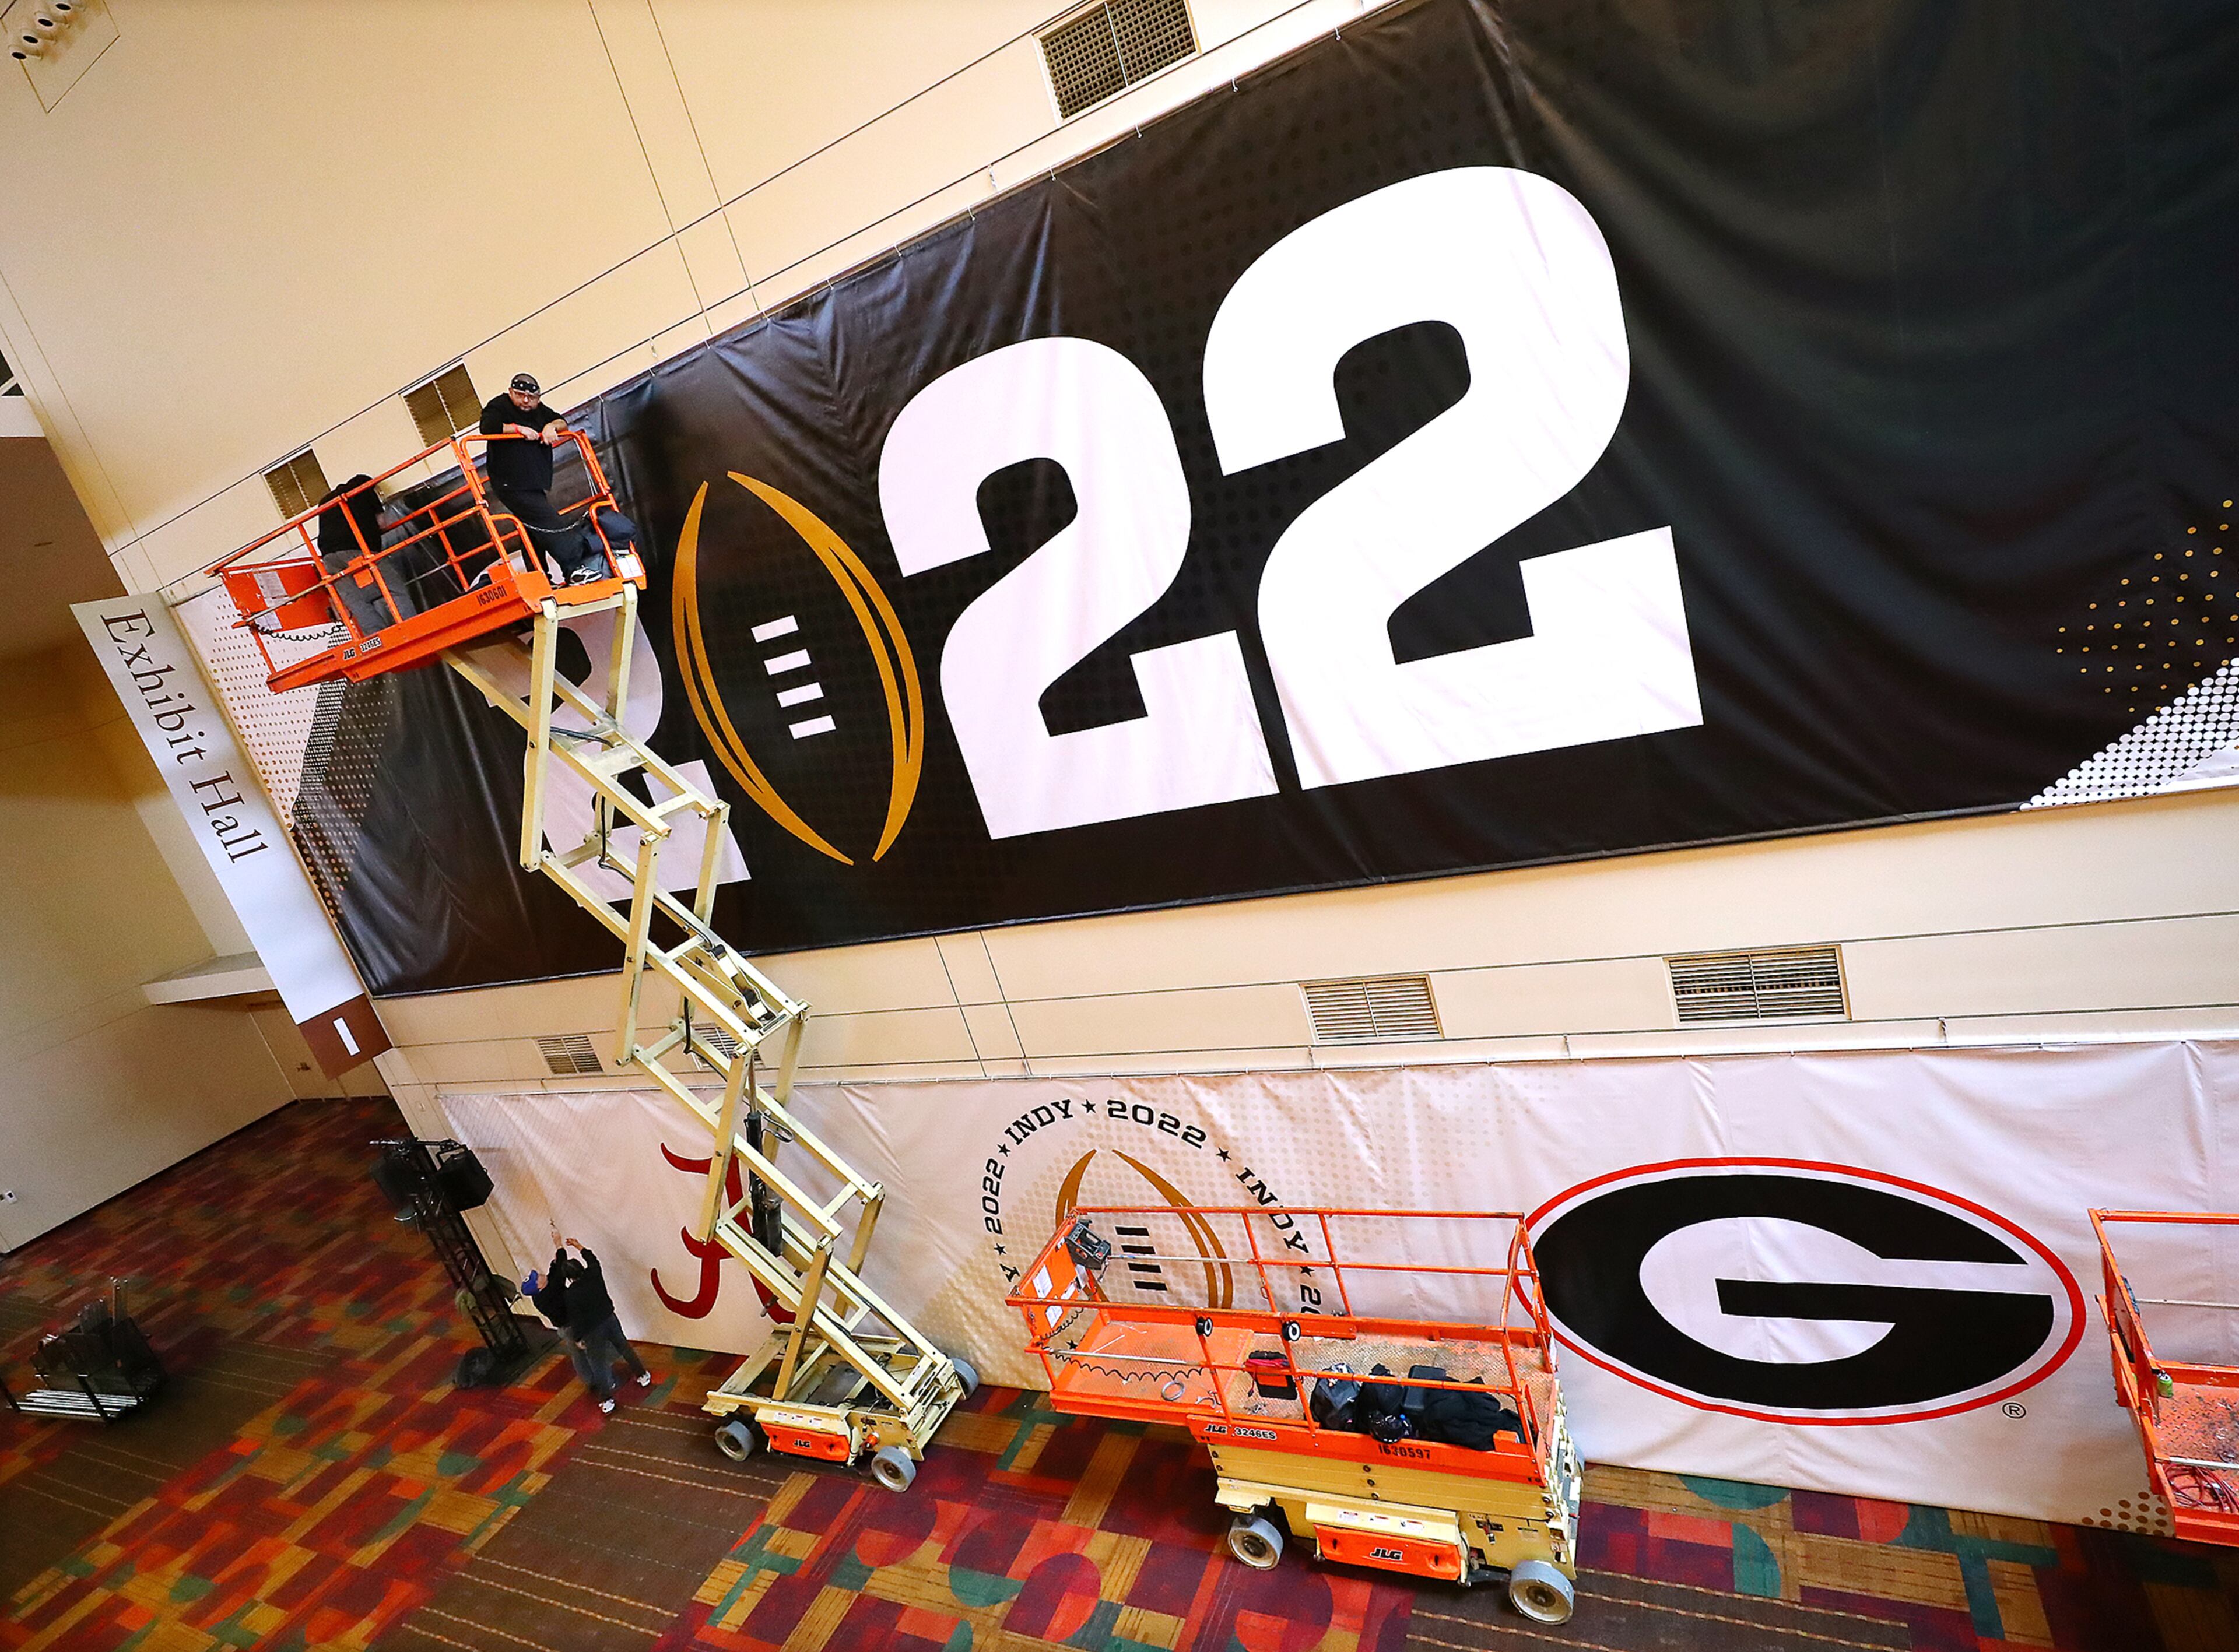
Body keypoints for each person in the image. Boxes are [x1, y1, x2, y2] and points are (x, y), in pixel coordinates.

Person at [478, 372, 603, 585]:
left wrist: (550, 427)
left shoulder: (540, 411)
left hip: (534, 482)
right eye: (520, 395)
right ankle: (573, 569)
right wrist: (518, 429)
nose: (526, 401)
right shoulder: (499, 406)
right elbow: (487, 427)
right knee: (550, 522)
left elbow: (561, 421)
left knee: (533, 528)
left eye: (531, 397)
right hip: (511, 483)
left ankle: (540, 577)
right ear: (510, 393)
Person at [552, 1229, 651, 1414]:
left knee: (598, 1365)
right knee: (625, 1348)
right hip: (610, 1319)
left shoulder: (571, 1295)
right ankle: (642, 1375)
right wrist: (578, 1245)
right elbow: (592, 1259)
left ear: (569, 1278)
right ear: (581, 1268)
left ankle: (607, 1400)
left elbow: (577, 1319)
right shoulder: (594, 1274)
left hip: (592, 1331)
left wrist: (578, 1339)